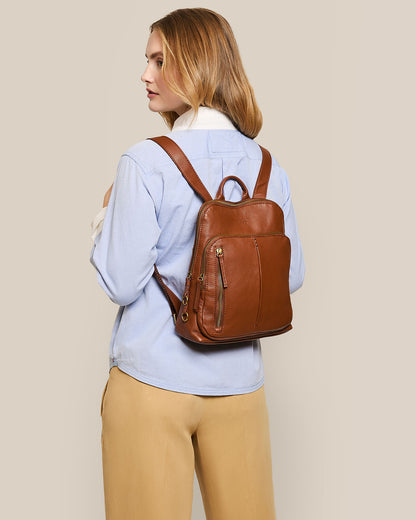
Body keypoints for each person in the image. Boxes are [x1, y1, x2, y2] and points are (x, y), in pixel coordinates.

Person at [89, 7, 305, 520]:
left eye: (161, 61)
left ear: (199, 64)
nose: (146, 75)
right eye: (147, 61)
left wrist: (104, 217)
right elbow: (289, 277)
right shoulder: (267, 166)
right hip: (238, 386)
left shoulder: (145, 161)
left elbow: (120, 281)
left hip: (150, 384)